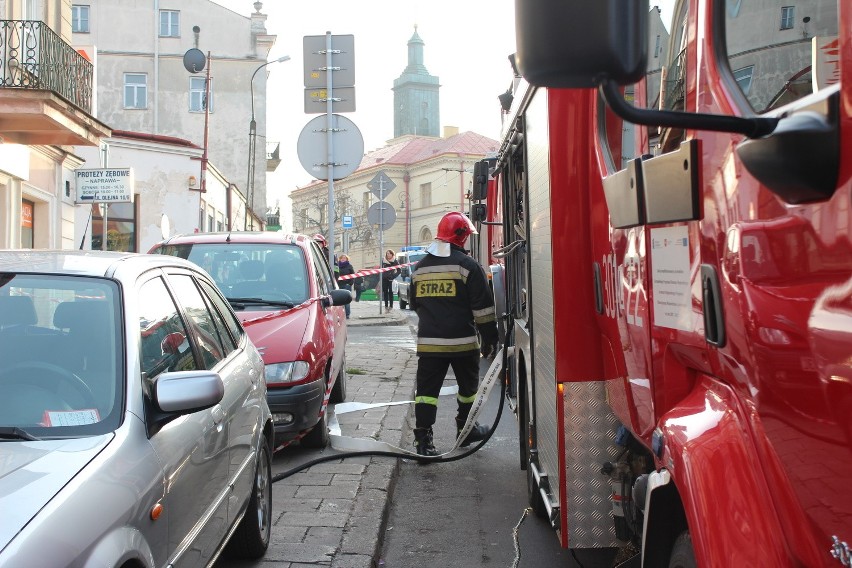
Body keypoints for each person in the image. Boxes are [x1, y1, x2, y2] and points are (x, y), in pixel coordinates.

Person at [409, 212, 499, 462]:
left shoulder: (419, 268)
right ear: (460, 236)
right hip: (463, 344)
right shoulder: (467, 266)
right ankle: (466, 429)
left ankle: (423, 441)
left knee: (426, 393)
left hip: (429, 346)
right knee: (468, 390)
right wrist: (490, 338)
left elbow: (416, 304)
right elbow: (483, 308)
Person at [336, 254, 355, 319]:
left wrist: (350, 283)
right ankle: (340, 315)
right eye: (342, 258)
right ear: (340, 259)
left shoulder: (349, 266)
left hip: (346, 285)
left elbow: (353, 275)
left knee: (347, 301)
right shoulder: (337, 266)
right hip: (338, 285)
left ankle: (347, 314)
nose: (343, 259)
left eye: (345, 258)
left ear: (347, 259)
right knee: (339, 301)